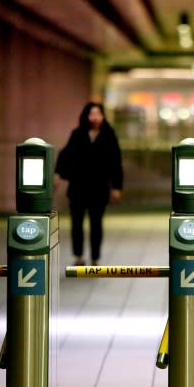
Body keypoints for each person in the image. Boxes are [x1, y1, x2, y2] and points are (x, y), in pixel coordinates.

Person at [54, 102, 123, 266]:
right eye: (91, 114)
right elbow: (65, 154)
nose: (95, 117)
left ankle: (95, 258)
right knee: (76, 223)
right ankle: (78, 256)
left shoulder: (109, 135)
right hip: (78, 186)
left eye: (98, 114)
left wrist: (117, 187)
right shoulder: (77, 134)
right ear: (86, 116)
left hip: (99, 187)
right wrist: (58, 174)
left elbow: (116, 162)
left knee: (96, 223)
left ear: (103, 116)